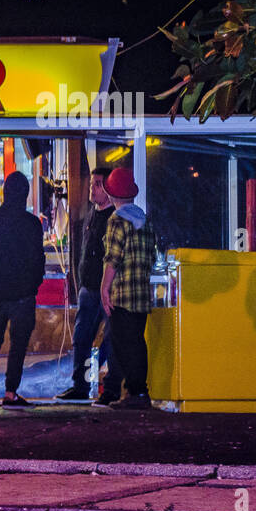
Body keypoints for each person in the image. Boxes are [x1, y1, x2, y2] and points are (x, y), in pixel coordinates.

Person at [0, 171, 45, 408]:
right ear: (25, 195)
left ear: (4, 192)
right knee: (18, 345)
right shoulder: (32, 224)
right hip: (23, 294)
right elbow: (38, 260)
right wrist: (33, 283)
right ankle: (10, 393)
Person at [57, 167, 123, 403]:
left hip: (106, 290)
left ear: (109, 189)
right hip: (88, 288)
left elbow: (112, 258)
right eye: (92, 184)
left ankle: (111, 388)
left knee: (111, 339)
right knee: (82, 337)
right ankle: (81, 386)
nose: (92, 189)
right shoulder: (91, 215)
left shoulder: (113, 219)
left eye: (97, 184)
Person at [100, 166, 156, 410]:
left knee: (124, 345)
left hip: (122, 294)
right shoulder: (144, 220)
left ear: (111, 195)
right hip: (142, 295)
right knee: (137, 343)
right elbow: (152, 258)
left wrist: (104, 289)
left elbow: (112, 258)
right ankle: (139, 392)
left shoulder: (116, 220)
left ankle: (135, 393)